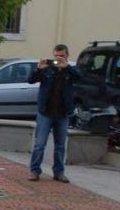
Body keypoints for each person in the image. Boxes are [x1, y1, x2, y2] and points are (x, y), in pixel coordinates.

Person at [27, 44, 82, 183]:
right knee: (39, 144)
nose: (59, 59)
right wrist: (38, 69)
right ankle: (34, 171)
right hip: (45, 112)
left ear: (67, 56)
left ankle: (59, 173)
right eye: (56, 56)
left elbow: (80, 78)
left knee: (60, 146)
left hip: (63, 113)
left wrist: (67, 67)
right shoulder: (48, 69)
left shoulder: (70, 70)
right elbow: (31, 80)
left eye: (62, 56)